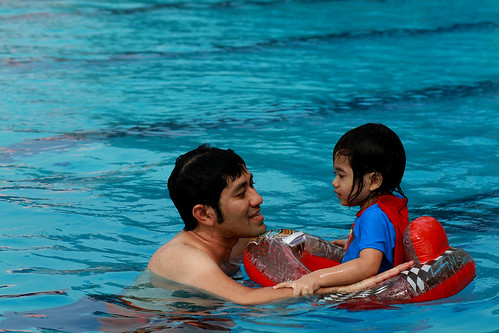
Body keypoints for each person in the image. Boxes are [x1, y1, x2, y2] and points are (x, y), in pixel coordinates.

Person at [148, 144, 413, 304]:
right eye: (242, 194)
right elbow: (246, 300)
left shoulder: (238, 241)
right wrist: (356, 287)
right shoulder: (183, 257)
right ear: (203, 215)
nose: (258, 198)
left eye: (253, 184)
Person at [274, 123, 409, 296]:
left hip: (366, 306)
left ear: (374, 181)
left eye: (341, 175)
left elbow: (367, 266)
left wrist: (316, 278)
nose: (335, 182)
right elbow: (385, 247)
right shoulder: (387, 208)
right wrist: (355, 243)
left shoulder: (373, 217)